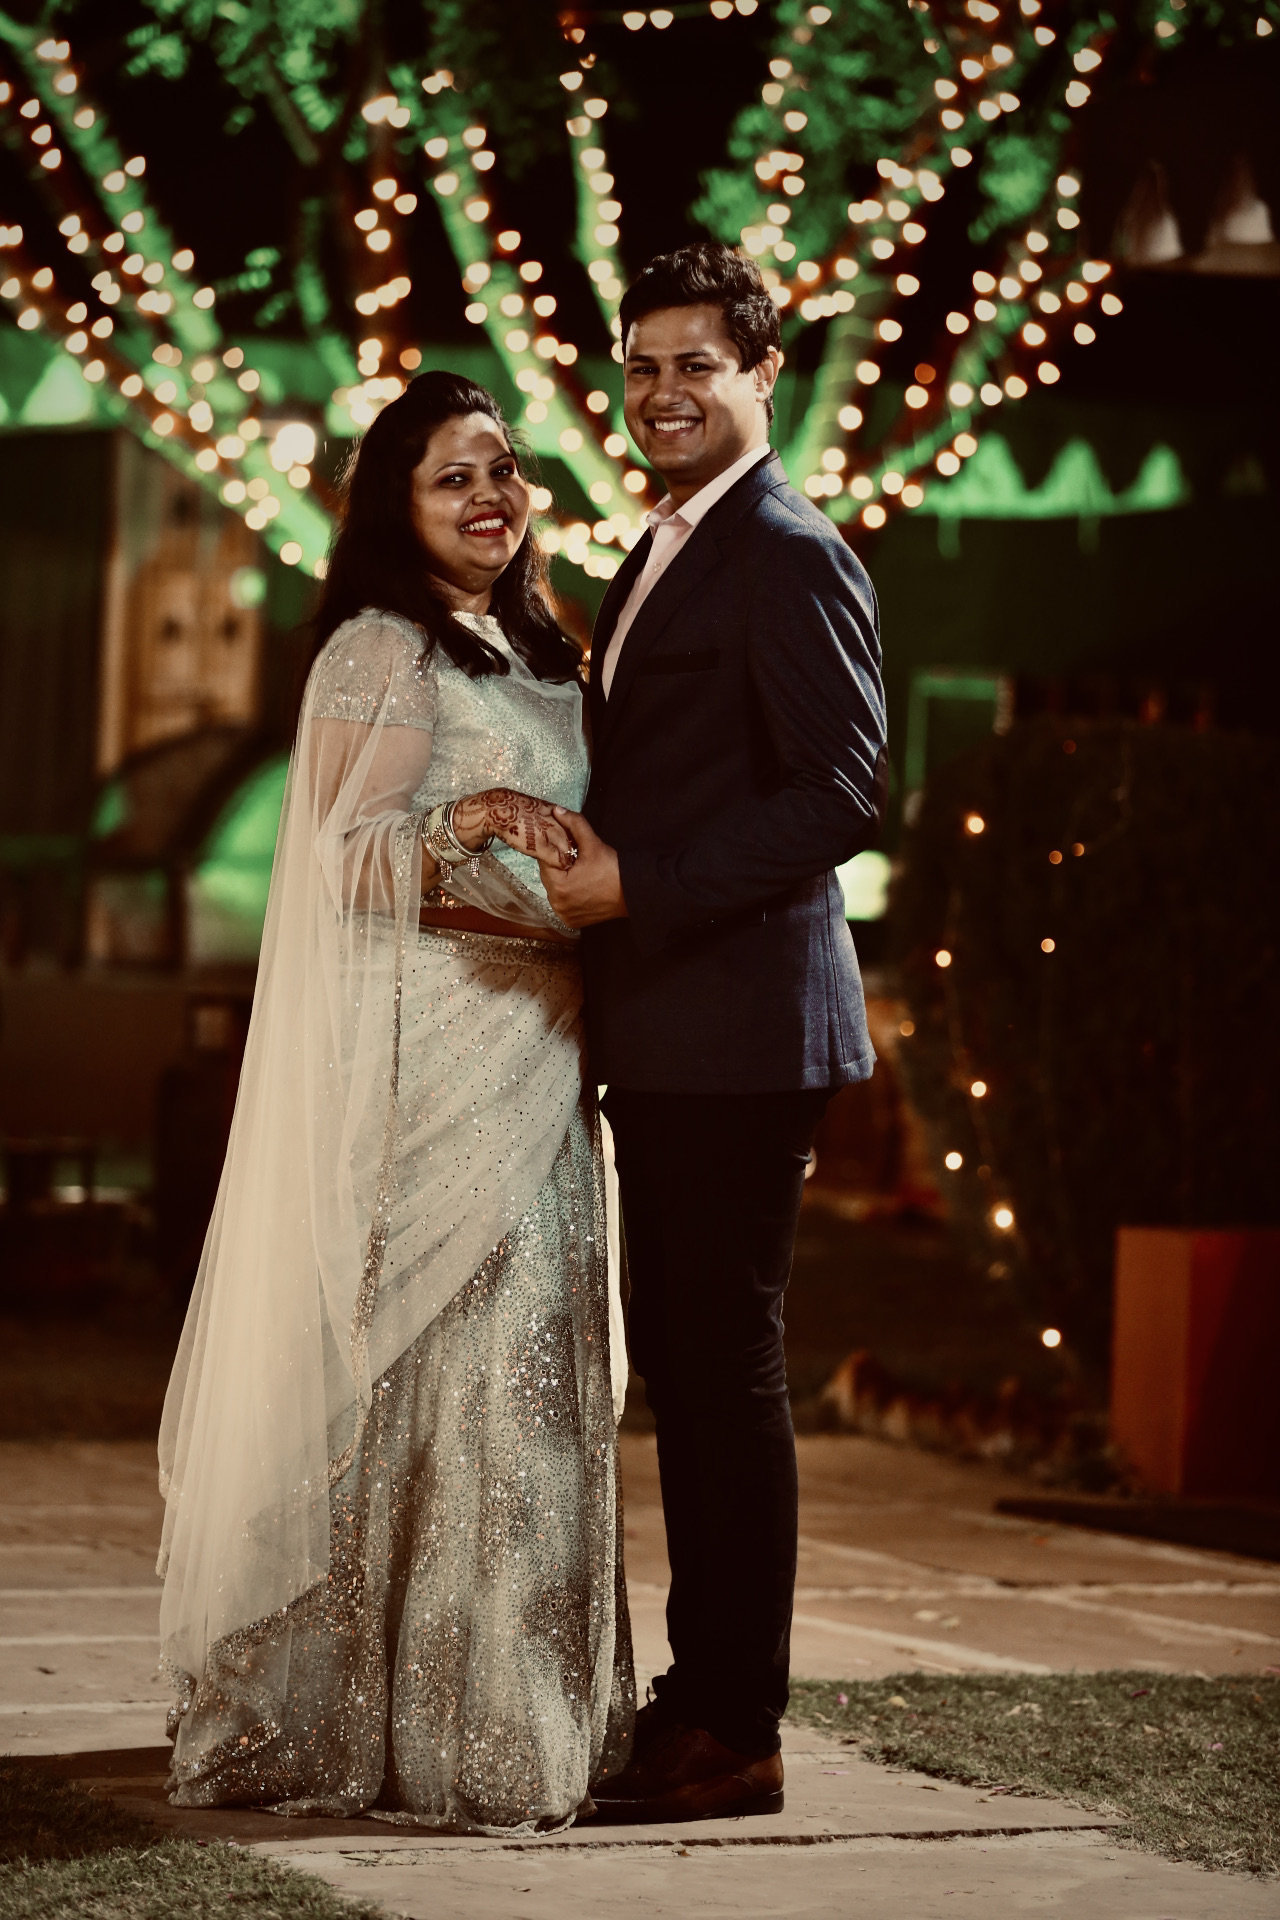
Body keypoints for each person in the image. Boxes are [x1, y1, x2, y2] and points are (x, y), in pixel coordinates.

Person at [157, 372, 634, 1834]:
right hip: (433, 1063)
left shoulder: (547, 648)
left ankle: (508, 1724)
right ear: (395, 508)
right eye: (453, 478)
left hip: (545, 1065)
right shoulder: (383, 646)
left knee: (535, 1390)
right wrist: (478, 820)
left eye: (502, 467)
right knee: (435, 1377)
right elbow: (342, 860)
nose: (492, 494)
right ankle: (360, 1723)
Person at [542, 243, 887, 1823]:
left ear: (761, 375)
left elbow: (841, 790)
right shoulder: (669, 542)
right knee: (687, 1370)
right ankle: (698, 1693)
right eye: (644, 364)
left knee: (723, 1372)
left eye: (698, 364)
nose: (664, 391)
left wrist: (643, 885)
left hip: (746, 1027)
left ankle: (732, 1722)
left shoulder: (782, 544)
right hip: (672, 1024)